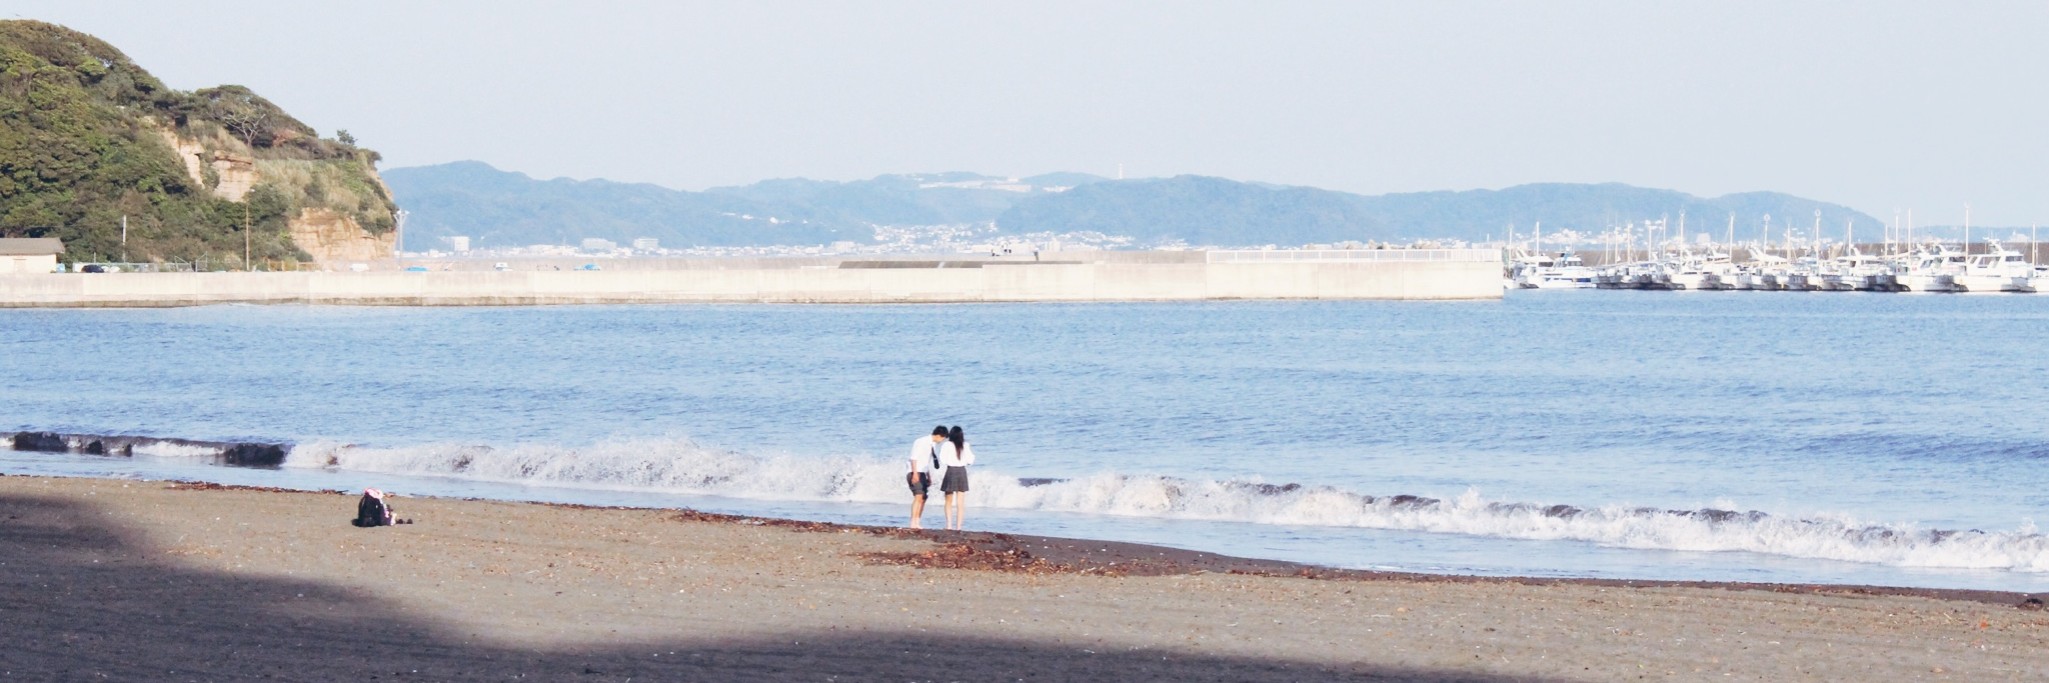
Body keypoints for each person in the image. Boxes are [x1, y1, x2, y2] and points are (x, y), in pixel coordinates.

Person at [907, 425, 948, 528]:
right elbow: (913, 458)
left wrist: (928, 476)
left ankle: (917, 521)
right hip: (915, 471)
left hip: (923, 472)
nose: (942, 441)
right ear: (939, 435)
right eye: (943, 438)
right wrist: (915, 473)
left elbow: (927, 462)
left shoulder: (932, 445)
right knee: (918, 496)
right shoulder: (921, 441)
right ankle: (913, 522)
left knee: (924, 498)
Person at [939, 425, 976, 530]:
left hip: (951, 470)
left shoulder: (947, 445)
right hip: (962, 471)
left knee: (948, 500)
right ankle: (959, 527)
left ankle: (949, 525)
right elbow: (971, 460)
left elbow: (942, 459)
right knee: (960, 502)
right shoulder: (965, 445)